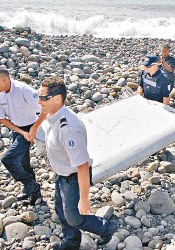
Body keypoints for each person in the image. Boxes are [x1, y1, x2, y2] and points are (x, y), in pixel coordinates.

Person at [33, 77, 115, 250]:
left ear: (56, 99)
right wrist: (35, 127)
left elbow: (82, 166)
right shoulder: (52, 111)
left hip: (73, 178)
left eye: (42, 98)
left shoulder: (69, 129)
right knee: (61, 210)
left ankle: (106, 227)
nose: (38, 101)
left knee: (75, 217)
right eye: (38, 97)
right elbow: (43, 114)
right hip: (61, 173)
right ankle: (71, 244)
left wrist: (84, 200)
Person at [0, 68, 43, 205]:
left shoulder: (23, 89)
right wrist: (21, 132)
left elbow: (44, 109)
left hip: (32, 126)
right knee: (23, 163)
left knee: (8, 159)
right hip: (17, 129)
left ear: (4, 79)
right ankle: (35, 194)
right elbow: (1, 118)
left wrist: (33, 130)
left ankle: (30, 184)